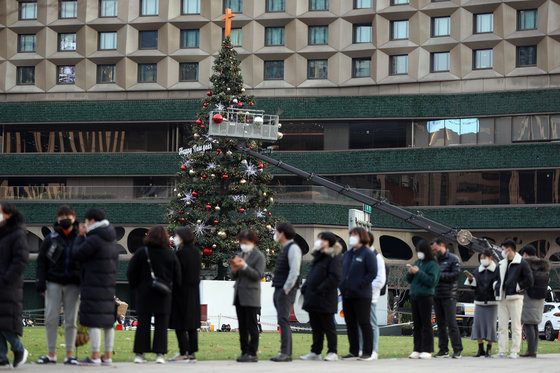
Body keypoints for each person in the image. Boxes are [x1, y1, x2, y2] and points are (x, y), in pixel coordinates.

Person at [127, 226, 181, 364]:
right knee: (161, 324)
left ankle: (139, 354)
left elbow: (131, 272)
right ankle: (160, 354)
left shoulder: (142, 252)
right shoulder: (170, 254)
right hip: (163, 293)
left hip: (144, 293)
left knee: (143, 324)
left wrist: (137, 287)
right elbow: (177, 276)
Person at [72, 207, 119, 366]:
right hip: (108, 284)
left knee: (94, 321)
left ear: (91, 221)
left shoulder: (94, 239)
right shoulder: (111, 238)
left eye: (85, 221)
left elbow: (77, 254)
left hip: (93, 283)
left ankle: (95, 355)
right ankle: (107, 356)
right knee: (107, 321)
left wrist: (80, 236)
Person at [36, 205, 81, 365]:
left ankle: (69, 354)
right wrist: (40, 282)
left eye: (68, 216)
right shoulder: (51, 238)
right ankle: (51, 354)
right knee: (50, 318)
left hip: (73, 284)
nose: (65, 219)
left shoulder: (81, 237)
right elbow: (41, 261)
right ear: (57, 219)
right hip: (53, 282)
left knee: (71, 320)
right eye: (61, 217)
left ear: (74, 218)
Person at [300, 232, 342, 362]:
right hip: (313, 297)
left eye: (322, 240)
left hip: (325, 297)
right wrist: (305, 287)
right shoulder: (318, 256)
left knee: (328, 326)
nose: (319, 242)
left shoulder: (334, 257)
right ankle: (315, 351)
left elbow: (334, 277)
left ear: (328, 242)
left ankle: (332, 351)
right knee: (316, 326)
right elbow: (312, 274)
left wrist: (321, 289)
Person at [339, 227, 377, 361]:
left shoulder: (367, 253)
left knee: (364, 323)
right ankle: (353, 350)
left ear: (361, 236)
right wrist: (342, 286)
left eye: (354, 235)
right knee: (350, 323)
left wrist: (360, 284)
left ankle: (368, 352)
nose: (351, 238)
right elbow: (343, 272)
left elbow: (372, 273)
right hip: (347, 294)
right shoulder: (348, 254)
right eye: (350, 235)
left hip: (362, 295)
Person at [0, 202, 29, 368]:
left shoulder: (17, 233)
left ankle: (18, 349)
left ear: (8, 214)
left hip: (8, 284)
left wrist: (7, 277)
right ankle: (1, 356)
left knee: (6, 322)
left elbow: (21, 259)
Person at [494, 239, 533, 359]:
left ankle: (514, 351)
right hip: (502, 297)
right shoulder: (501, 263)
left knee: (515, 326)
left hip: (515, 297)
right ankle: (502, 351)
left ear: (509, 249)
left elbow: (529, 280)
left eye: (502, 249)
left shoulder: (521, 263)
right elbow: (496, 279)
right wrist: (496, 286)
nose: (502, 251)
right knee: (502, 326)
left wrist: (517, 287)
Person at [230, 230, 265, 363]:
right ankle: (244, 351)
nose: (243, 245)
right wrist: (234, 269)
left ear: (252, 242)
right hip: (239, 294)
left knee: (251, 325)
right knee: (242, 326)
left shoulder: (259, 256)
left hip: (251, 295)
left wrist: (244, 266)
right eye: (241, 242)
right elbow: (233, 276)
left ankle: (252, 353)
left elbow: (258, 275)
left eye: (246, 242)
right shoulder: (240, 254)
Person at [270, 222, 302, 362]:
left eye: (276, 232)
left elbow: (294, 271)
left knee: (283, 319)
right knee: (281, 319)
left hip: (286, 289)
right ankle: (285, 352)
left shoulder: (293, 248)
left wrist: (286, 288)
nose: (275, 234)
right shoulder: (286, 248)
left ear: (282, 234)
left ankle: (286, 353)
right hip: (280, 287)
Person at [169, 227, 201, 363]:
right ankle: (192, 352)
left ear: (181, 237)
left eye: (176, 236)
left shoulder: (180, 253)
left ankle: (183, 351)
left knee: (180, 323)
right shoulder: (196, 252)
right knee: (192, 324)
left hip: (181, 291)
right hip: (194, 292)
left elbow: (176, 273)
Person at [430, 238, 463, 358]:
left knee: (451, 323)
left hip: (449, 295)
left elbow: (455, 275)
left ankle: (457, 349)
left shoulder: (453, 259)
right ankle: (443, 350)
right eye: (432, 250)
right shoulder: (435, 260)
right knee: (440, 324)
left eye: (435, 249)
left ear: (442, 245)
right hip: (437, 295)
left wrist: (439, 275)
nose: (434, 251)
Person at [407, 239, 440, 360]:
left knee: (426, 324)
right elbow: (409, 279)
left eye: (420, 251)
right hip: (414, 296)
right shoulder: (418, 262)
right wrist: (410, 272)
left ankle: (427, 349)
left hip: (426, 296)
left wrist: (418, 272)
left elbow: (431, 281)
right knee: (417, 324)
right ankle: (417, 349)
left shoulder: (433, 264)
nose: (418, 253)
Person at [464, 249, 500, 357]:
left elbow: (499, 285)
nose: (482, 260)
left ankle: (489, 349)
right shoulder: (477, 271)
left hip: (492, 302)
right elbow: (473, 287)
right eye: (481, 258)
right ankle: (480, 349)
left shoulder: (496, 270)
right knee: (478, 326)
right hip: (479, 301)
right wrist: (471, 280)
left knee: (491, 326)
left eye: (485, 257)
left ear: (490, 257)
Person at [357, 231, 386, 360]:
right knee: (361, 323)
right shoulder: (361, 255)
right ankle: (362, 348)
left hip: (370, 296)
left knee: (371, 323)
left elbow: (380, 279)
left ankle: (373, 349)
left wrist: (367, 289)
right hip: (359, 295)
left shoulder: (376, 257)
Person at [519, 244, 550, 358]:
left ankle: (530, 351)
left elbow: (524, 280)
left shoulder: (527, 264)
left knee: (528, 324)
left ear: (526, 254)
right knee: (535, 324)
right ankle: (533, 349)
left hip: (529, 297)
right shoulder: (543, 266)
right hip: (540, 298)